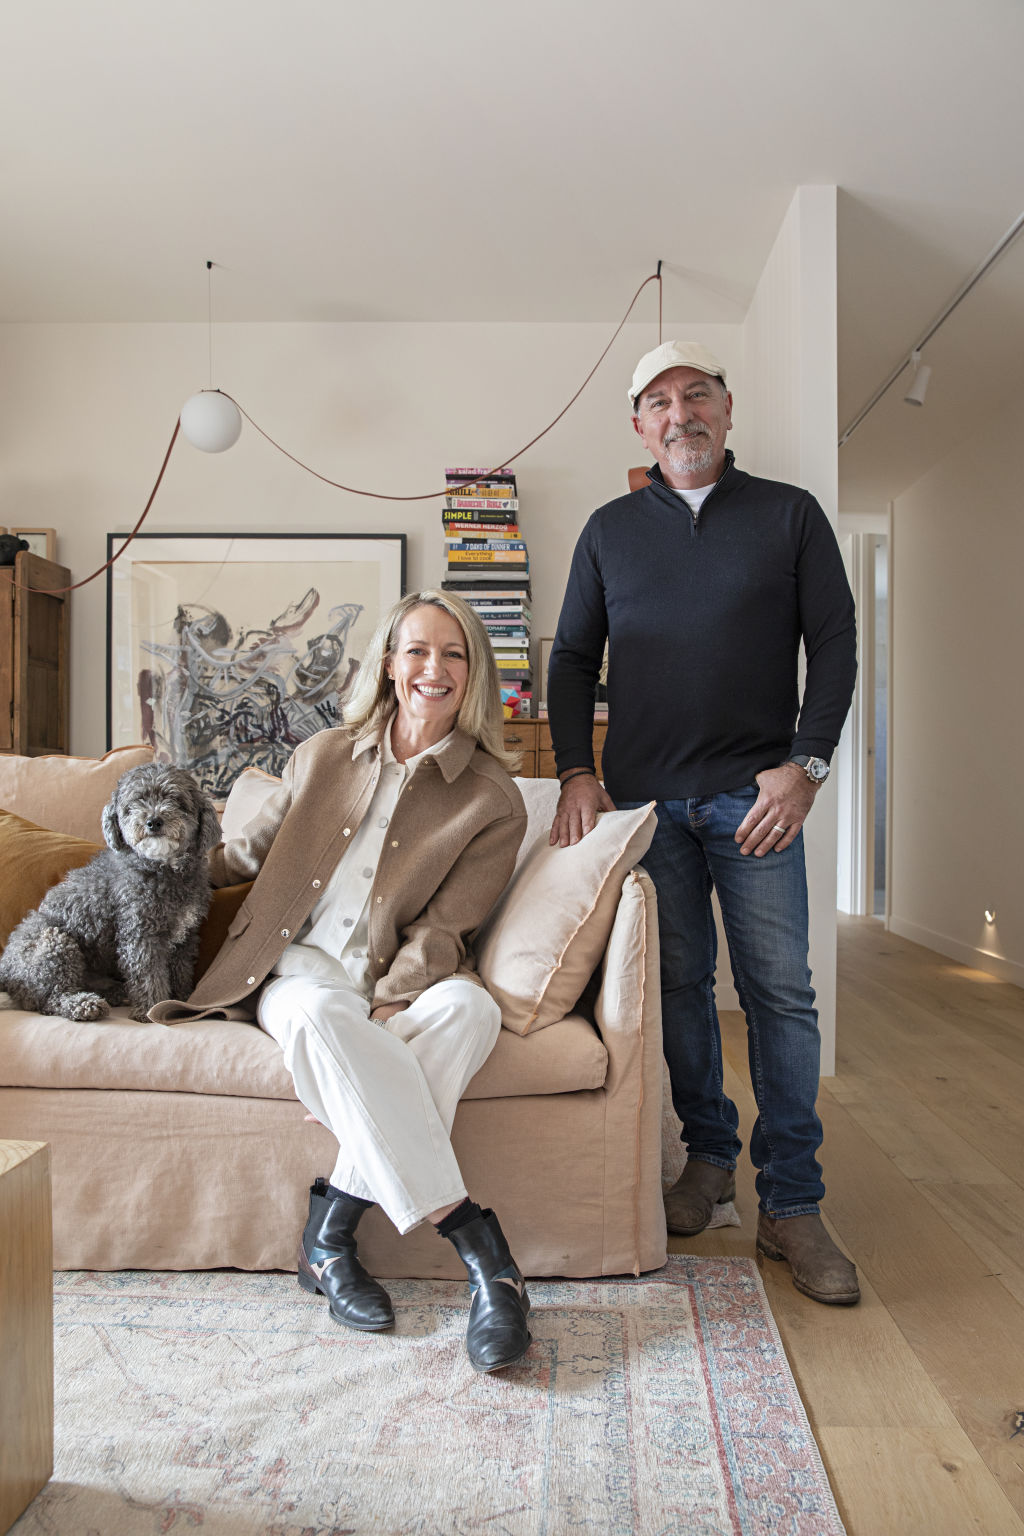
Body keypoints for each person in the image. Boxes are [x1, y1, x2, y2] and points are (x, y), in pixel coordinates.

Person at [547, 340, 860, 1306]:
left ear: (728, 410)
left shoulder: (789, 516)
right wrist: (574, 772)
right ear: (639, 427)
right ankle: (710, 1161)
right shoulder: (607, 530)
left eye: (697, 396)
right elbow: (568, 658)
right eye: (659, 402)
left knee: (780, 996)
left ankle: (794, 1204)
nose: (680, 413)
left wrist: (806, 767)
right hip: (648, 803)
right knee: (678, 988)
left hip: (756, 802)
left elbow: (837, 642)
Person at [172, 590, 532, 1371]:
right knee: (321, 1018)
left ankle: (329, 1238)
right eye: (416, 650)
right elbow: (242, 856)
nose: (432, 669)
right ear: (390, 663)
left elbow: (446, 929)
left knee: (471, 1010)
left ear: (474, 673)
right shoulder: (323, 754)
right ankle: (485, 1257)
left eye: (453, 653)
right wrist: (155, 868)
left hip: (393, 977)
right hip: (294, 966)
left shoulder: (493, 798)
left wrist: (387, 1003)